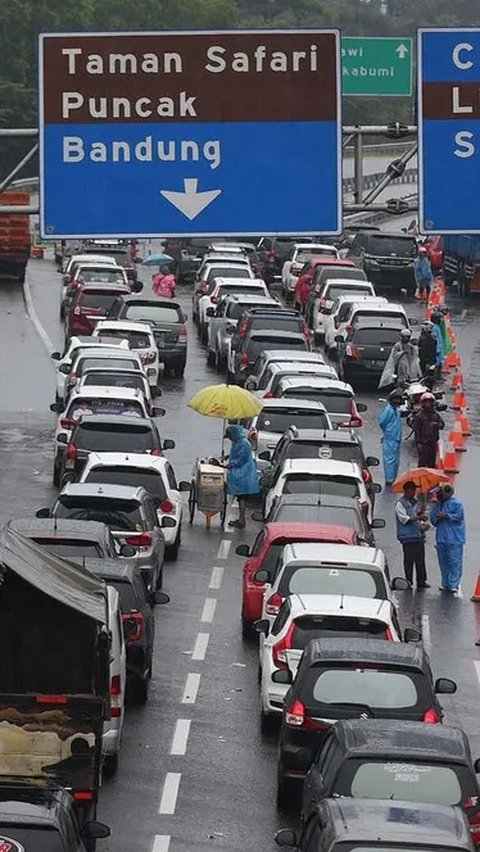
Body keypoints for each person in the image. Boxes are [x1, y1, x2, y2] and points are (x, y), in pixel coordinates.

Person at [430, 483, 466, 592]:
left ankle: (454, 584)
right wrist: (437, 517)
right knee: (444, 562)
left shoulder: (456, 504)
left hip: (455, 538)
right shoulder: (437, 506)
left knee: (455, 561)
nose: (438, 496)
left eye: (439, 493)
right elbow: (433, 521)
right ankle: (445, 583)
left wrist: (446, 516)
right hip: (442, 538)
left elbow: (459, 516)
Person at [395, 481, 430, 589]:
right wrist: (419, 518)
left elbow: (416, 519)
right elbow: (404, 519)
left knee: (420, 561)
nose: (413, 492)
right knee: (409, 561)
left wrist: (422, 522)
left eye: (414, 490)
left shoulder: (414, 503)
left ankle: (421, 581)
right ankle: (409, 582)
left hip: (418, 536)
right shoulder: (400, 504)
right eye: (412, 490)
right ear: (406, 490)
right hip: (407, 538)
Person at [224, 425, 260, 529]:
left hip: (244, 472)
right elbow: (235, 454)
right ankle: (241, 518)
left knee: (242, 496)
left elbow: (240, 459)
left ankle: (241, 520)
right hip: (241, 472)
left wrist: (230, 464)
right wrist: (228, 456)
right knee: (240, 497)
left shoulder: (243, 443)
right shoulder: (237, 442)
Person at [378, 389, 403, 486]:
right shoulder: (389, 410)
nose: (397, 401)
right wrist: (387, 432)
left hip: (396, 437)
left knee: (395, 459)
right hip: (390, 437)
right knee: (390, 459)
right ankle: (389, 479)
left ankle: (393, 477)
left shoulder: (396, 410)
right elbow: (382, 421)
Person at [414, 392, 444, 468]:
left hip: (433, 443)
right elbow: (417, 431)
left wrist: (435, 424)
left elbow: (442, 425)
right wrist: (418, 443)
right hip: (424, 444)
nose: (427, 404)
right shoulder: (419, 416)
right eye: (426, 402)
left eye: (429, 402)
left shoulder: (435, 415)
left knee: (431, 464)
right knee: (422, 464)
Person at [430, 311, 445, 379]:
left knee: (439, 365)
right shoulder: (434, 328)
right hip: (437, 353)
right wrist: (437, 350)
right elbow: (436, 340)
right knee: (437, 366)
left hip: (439, 352)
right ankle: (436, 377)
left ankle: (438, 377)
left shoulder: (437, 327)